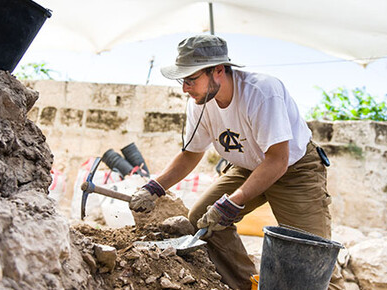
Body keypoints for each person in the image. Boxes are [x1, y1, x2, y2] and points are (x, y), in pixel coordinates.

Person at [130, 35, 344, 290]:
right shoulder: (200, 102)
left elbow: (277, 159)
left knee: (311, 253)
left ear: (218, 71)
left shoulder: (262, 92)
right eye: (182, 80)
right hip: (247, 166)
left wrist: (233, 202)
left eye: (191, 79)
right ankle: (248, 285)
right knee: (204, 217)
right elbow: (190, 153)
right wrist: (155, 187)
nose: (185, 88)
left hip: (293, 169)